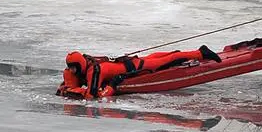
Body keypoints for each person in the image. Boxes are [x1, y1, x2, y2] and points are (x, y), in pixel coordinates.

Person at [56, 45, 222, 99]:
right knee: (161, 56)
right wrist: (68, 88)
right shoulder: (83, 67)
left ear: (81, 64)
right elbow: (66, 87)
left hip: (135, 68)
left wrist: (112, 86)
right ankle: (196, 52)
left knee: (168, 59)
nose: (71, 70)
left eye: (74, 67)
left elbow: (93, 96)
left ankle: (201, 53)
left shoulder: (95, 70)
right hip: (131, 63)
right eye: (70, 67)